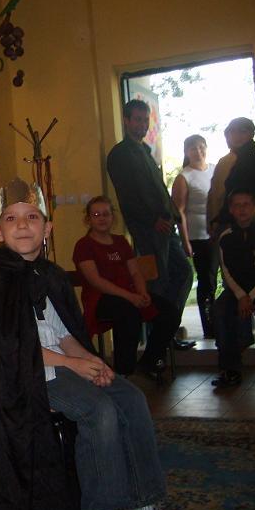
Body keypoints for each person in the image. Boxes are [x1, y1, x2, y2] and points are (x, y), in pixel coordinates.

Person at [0, 178, 182, 510]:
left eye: (32, 217)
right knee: (98, 409)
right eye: (11, 218)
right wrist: (72, 364)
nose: (22, 225)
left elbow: (65, 334)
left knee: (131, 398)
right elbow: (12, 349)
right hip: (28, 376)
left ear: (47, 228)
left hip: (63, 362)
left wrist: (92, 361)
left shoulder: (48, 276)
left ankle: (145, 500)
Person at [107, 99, 194, 349]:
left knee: (183, 273)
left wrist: (174, 216)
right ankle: (160, 345)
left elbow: (158, 190)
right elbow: (127, 196)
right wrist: (152, 220)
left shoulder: (144, 150)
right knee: (159, 283)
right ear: (126, 121)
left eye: (145, 120)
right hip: (148, 229)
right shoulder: (120, 154)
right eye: (137, 119)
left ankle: (166, 332)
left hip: (166, 226)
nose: (142, 125)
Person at [73, 196, 180, 377]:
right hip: (101, 298)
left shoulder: (121, 242)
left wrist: (142, 293)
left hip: (131, 293)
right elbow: (96, 281)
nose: (102, 218)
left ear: (112, 217)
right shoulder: (84, 245)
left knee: (170, 313)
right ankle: (124, 371)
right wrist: (130, 297)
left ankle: (149, 360)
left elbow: (135, 272)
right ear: (88, 219)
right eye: (96, 215)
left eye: (106, 214)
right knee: (129, 313)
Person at [211, 190, 255, 389]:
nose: (242, 209)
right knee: (220, 310)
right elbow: (226, 271)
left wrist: (250, 296)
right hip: (236, 290)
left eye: (246, 204)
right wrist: (240, 296)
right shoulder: (225, 237)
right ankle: (230, 368)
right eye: (237, 205)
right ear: (231, 210)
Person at [172, 134, 217, 338]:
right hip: (198, 237)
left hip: (218, 235)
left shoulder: (215, 170)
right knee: (207, 281)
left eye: (201, 147)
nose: (198, 152)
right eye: (192, 148)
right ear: (186, 152)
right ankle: (210, 328)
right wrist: (185, 241)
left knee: (220, 280)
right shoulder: (184, 177)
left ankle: (225, 324)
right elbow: (179, 212)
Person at [207, 117, 255, 240]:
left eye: (242, 131)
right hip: (220, 221)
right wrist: (212, 220)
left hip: (244, 221)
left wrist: (239, 210)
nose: (237, 136)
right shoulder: (224, 161)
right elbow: (214, 194)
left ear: (251, 134)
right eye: (233, 132)